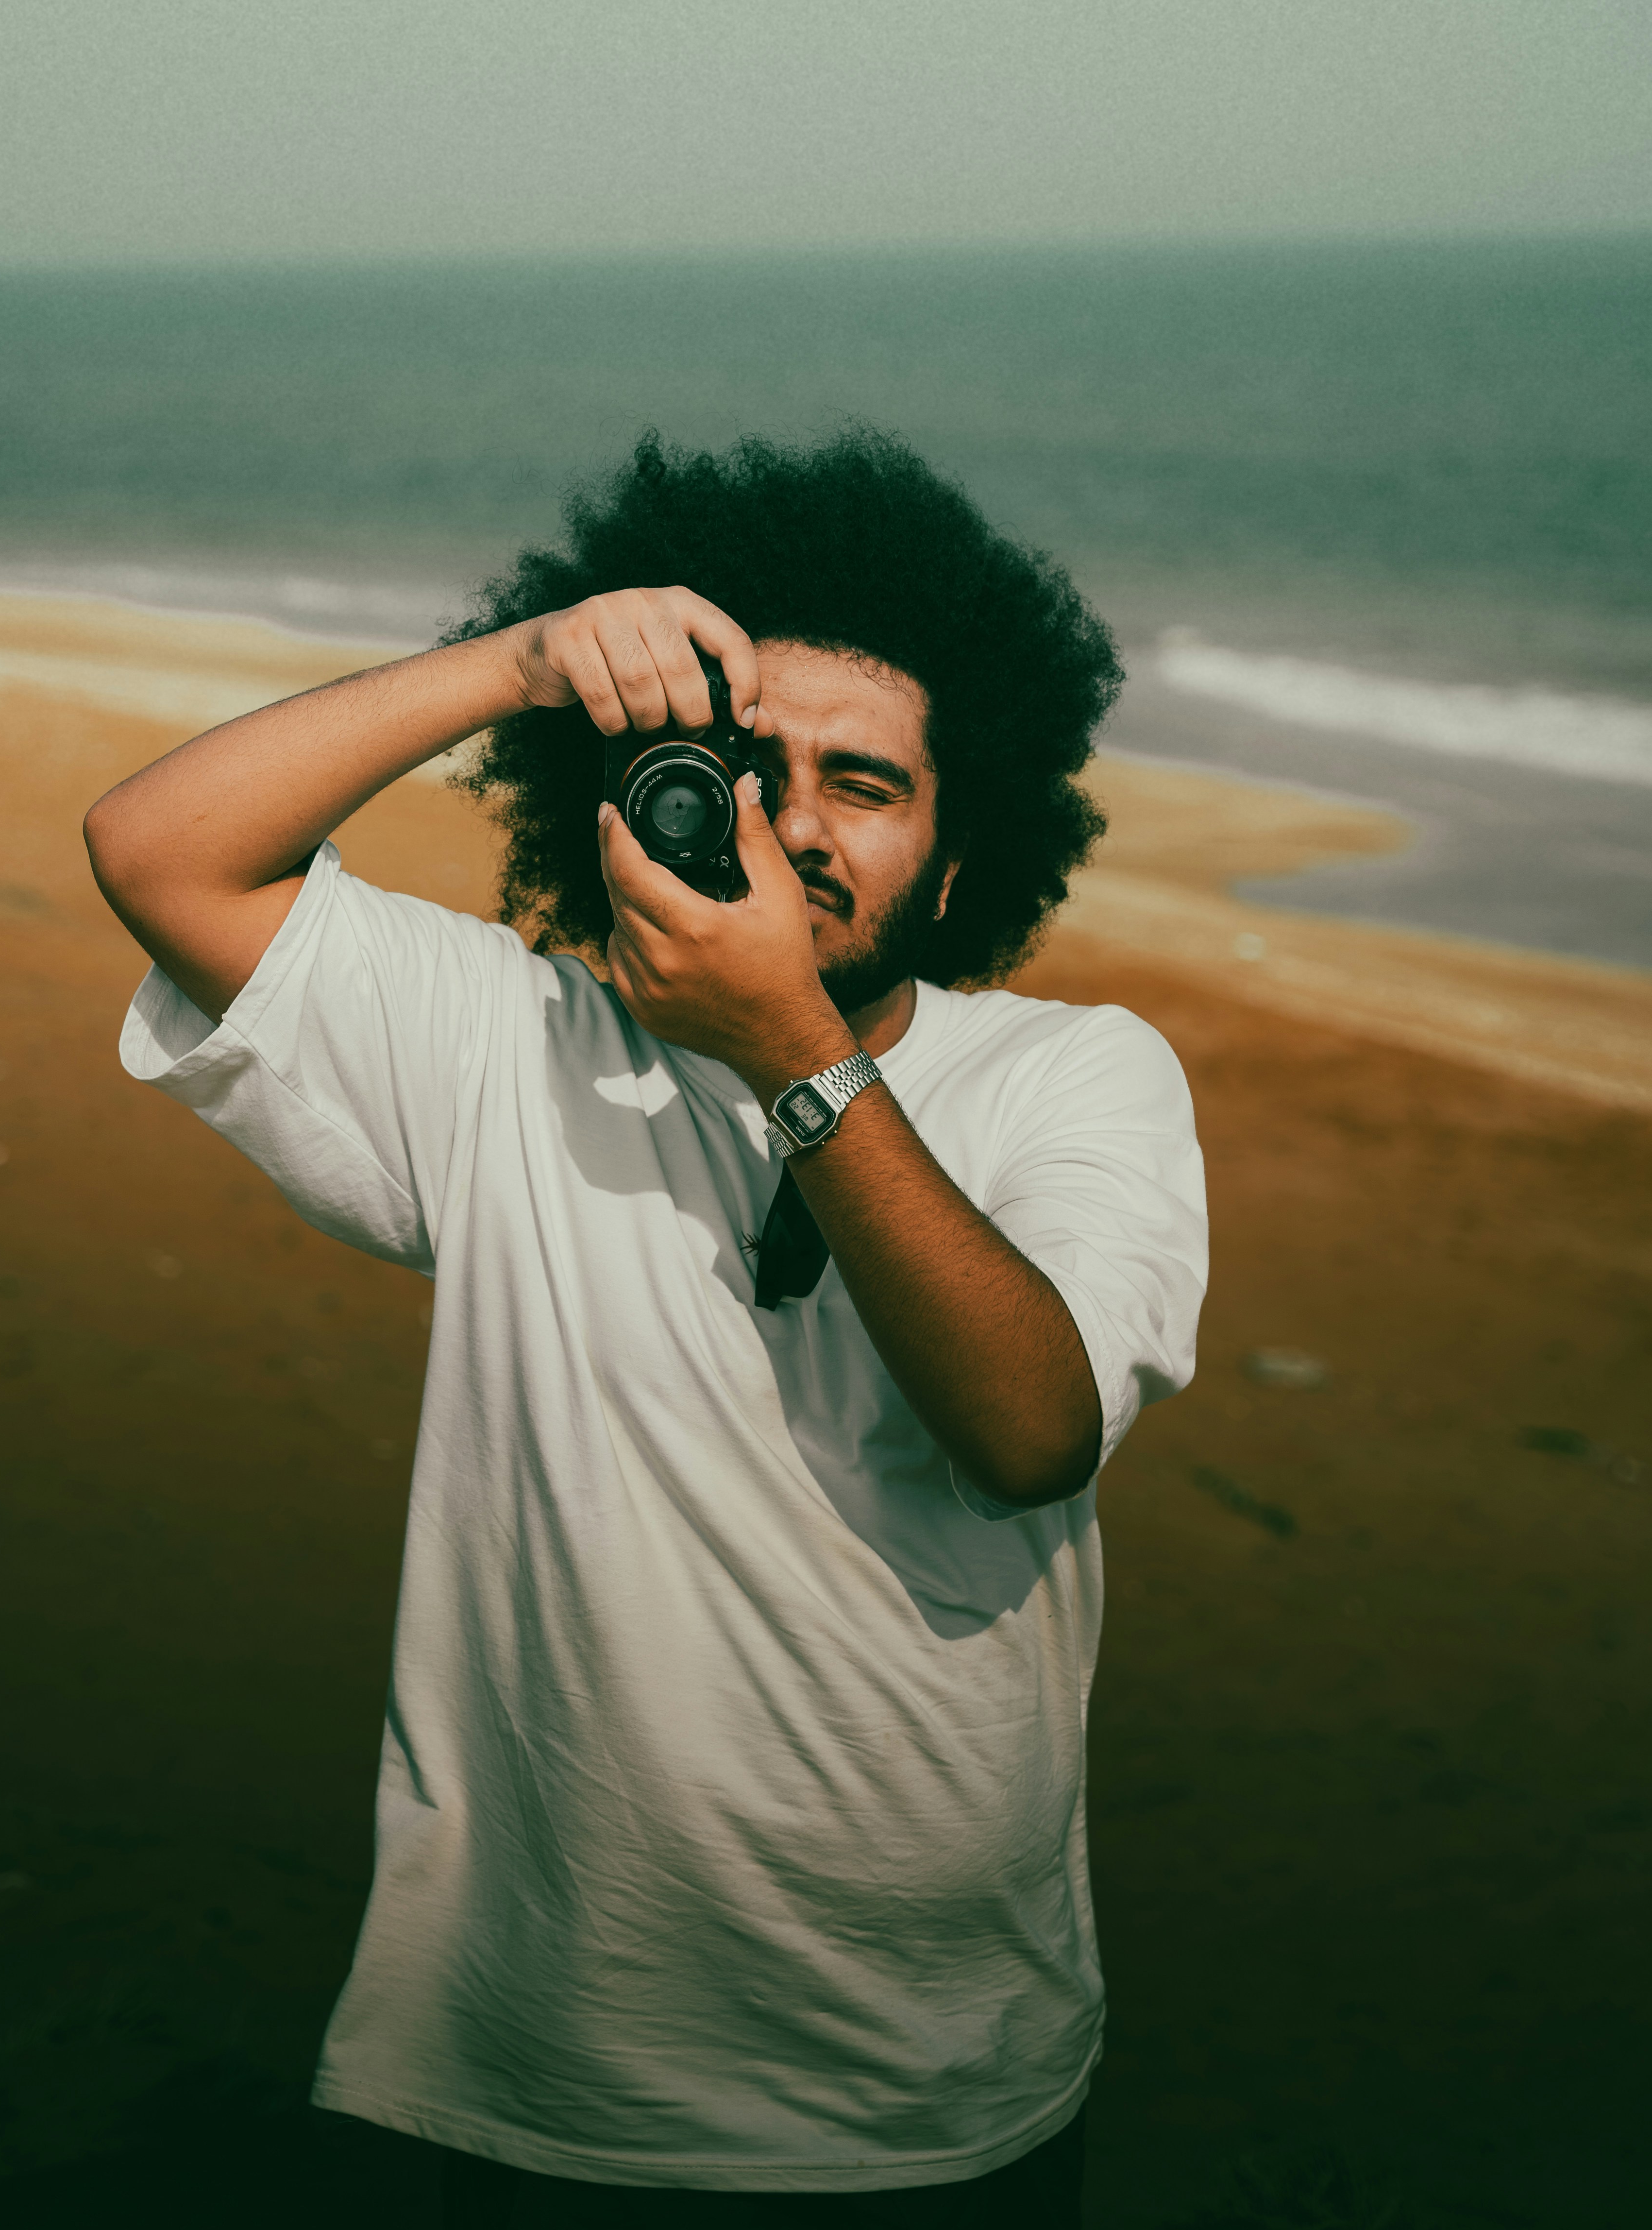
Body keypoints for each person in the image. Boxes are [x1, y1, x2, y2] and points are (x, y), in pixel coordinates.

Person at [85, 430, 1206, 2224]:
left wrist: (791, 1056)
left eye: (867, 785)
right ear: (631, 797)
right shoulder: (511, 1050)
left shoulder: (1077, 1077)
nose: (800, 829)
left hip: (931, 2096)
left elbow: (1032, 1427)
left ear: (953, 851)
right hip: (527, 2071)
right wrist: (529, 660)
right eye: (746, 770)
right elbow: (158, 850)